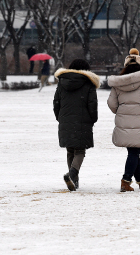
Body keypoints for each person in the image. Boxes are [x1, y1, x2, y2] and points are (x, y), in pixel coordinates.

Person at [107, 48, 140, 192]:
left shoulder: (118, 83)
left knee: (133, 150)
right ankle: (126, 180)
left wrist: (121, 112)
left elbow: (111, 103)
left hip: (125, 120)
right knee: (134, 152)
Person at [53, 59, 100, 191]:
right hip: (83, 121)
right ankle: (72, 174)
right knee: (80, 150)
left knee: (70, 150)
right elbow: (92, 105)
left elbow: (56, 103)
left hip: (65, 120)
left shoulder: (62, 82)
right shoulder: (88, 83)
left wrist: (61, 118)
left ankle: (74, 180)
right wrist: (92, 119)